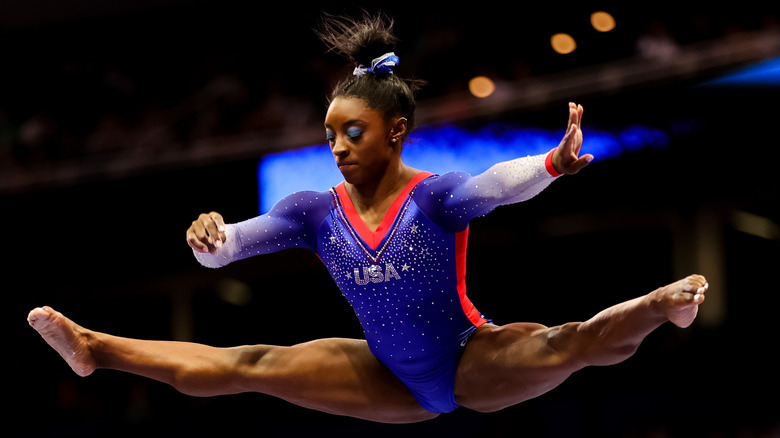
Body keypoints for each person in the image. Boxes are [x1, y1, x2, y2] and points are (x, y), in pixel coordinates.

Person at [28, 13, 708, 424]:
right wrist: (207, 236)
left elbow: (495, 185)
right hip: (385, 376)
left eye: (354, 132)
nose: (339, 147)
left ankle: (658, 304)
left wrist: (553, 163)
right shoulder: (311, 213)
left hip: (469, 360)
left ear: (397, 130)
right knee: (250, 363)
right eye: (331, 135)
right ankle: (95, 349)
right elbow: (225, 251)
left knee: (568, 344)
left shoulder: (436, 198)